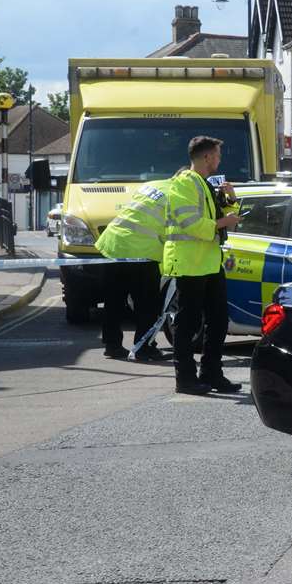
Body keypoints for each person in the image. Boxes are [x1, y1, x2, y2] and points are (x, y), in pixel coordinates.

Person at [163, 136, 243, 396]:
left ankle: (211, 372)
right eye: (217, 155)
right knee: (187, 324)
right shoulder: (184, 183)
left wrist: (230, 200)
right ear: (207, 157)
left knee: (218, 321)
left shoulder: (203, 184)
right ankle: (184, 379)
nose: (219, 160)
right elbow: (192, 224)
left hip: (208, 261)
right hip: (188, 263)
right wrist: (223, 222)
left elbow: (223, 220)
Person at [94, 180, 170, 362]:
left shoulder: (153, 185)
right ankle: (144, 348)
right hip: (140, 251)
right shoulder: (179, 194)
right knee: (147, 304)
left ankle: (112, 345)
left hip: (114, 245)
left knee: (114, 301)